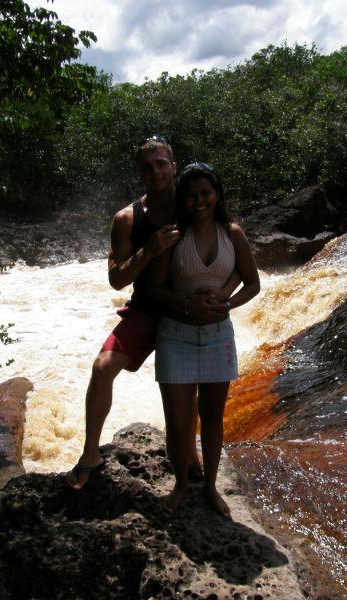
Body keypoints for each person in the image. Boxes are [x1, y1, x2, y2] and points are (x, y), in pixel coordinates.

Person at [68, 138, 237, 490]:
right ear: (140, 174)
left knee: (189, 389)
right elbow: (117, 279)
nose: (155, 171)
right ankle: (89, 454)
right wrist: (148, 251)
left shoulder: (194, 204)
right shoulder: (128, 219)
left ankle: (190, 457)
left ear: (174, 167)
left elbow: (234, 248)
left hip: (188, 312)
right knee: (102, 368)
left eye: (161, 164)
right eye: (147, 166)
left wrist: (222, 297)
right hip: (147, 310)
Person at [149, 162, 260, 517]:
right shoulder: (173, 236)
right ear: (183, 199)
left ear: (217, 195)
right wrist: (186, 304)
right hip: (175, 335)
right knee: (179, 422)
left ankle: (210, 487)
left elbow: (252, 282)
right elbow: (153, 288)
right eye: (192, 194)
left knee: (212, 417)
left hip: (217, 335)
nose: (200, 201)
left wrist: (227, 304)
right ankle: (180, 485)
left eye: (206, 193)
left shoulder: (233, 233)